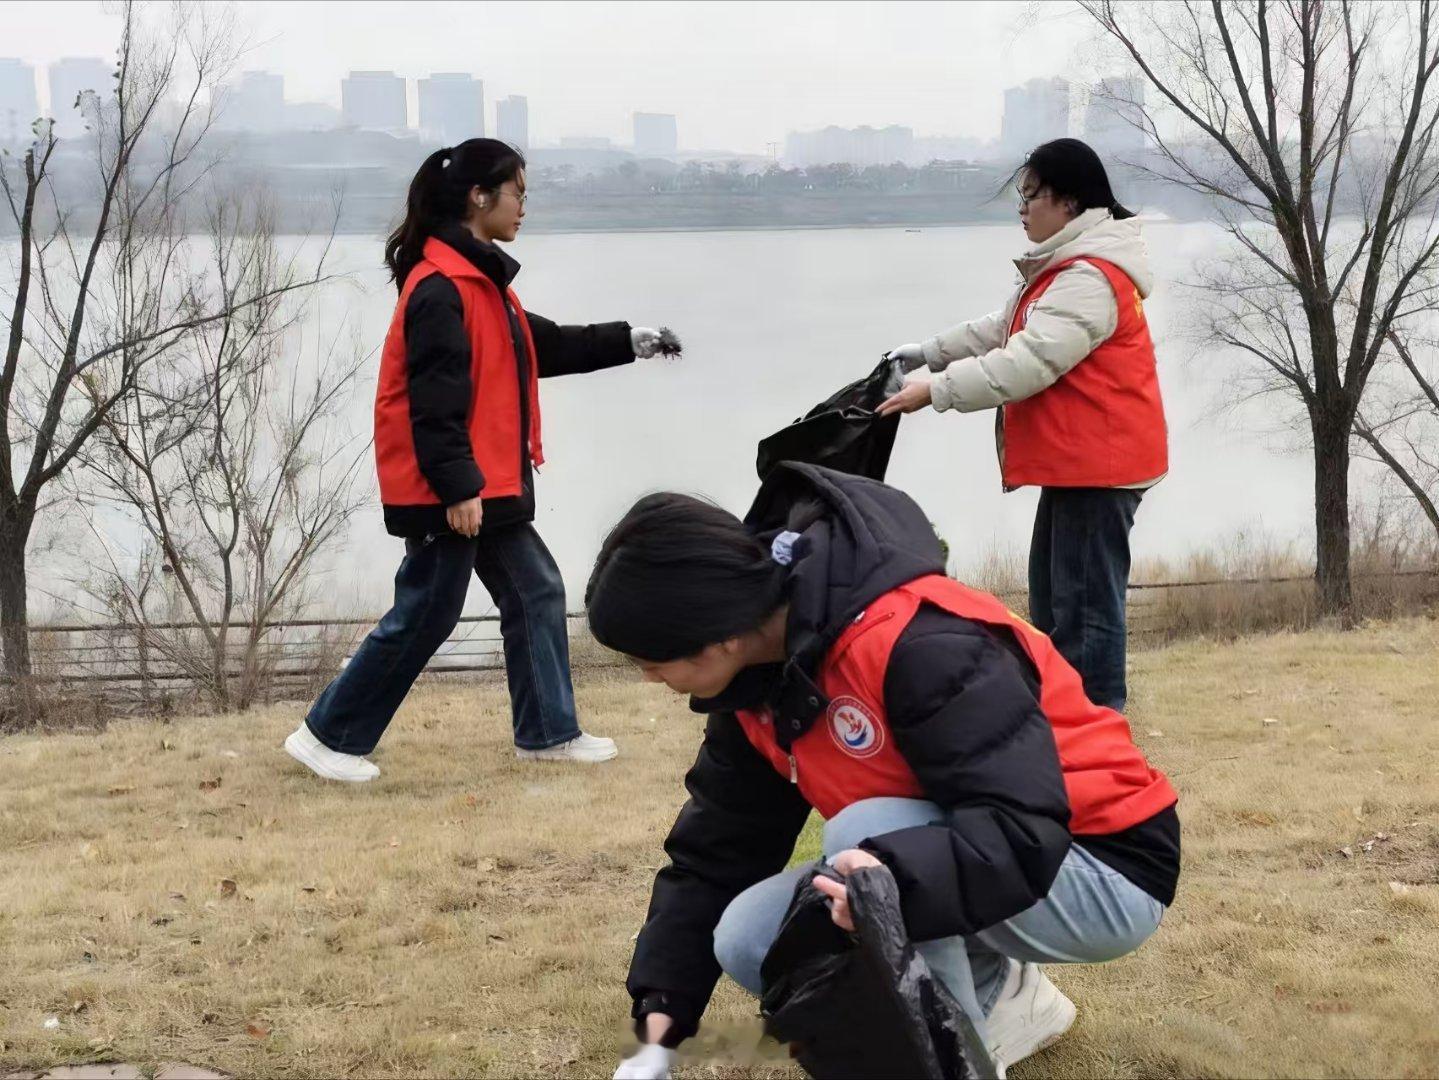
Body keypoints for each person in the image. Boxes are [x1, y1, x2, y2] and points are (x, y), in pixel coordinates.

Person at [590, 462, 1180, 1079]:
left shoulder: (914, 641)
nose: (649, 678)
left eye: (647, 661)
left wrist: (884, 881)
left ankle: (951, 1065)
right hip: (988, 860)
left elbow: (1021, 826)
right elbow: (714, 856)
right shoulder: (752, 694)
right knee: (748, 934)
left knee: (865, 845)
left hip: (1105, 863)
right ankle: (1003, 1002)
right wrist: (660, 1024)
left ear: (714, 638)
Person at [285, 138, 672, 783]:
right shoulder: (441, 289)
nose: (525, 206)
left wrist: (632, 341)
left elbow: (538, 346)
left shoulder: (481, 282)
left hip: (482, 485)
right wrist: (458, 489)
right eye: (519, 192)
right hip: (453, 491)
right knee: (429, 610)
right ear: (479, 196)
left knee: (536, 590)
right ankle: (330, 736)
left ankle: (548, 733)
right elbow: (432, 409)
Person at [878, 138, 1167, 713]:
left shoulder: (1090, 275)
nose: (1022, 208)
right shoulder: (1066, 266)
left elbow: (1027, 363)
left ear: (1067, 202)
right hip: (1077, 464)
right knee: (1055, 602)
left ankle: (1097, 727)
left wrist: (934, 391)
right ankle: (1068, 718)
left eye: (1031, 195)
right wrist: (928, 352)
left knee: (1083, 610)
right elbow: (1004, 326)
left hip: (1101, 468)